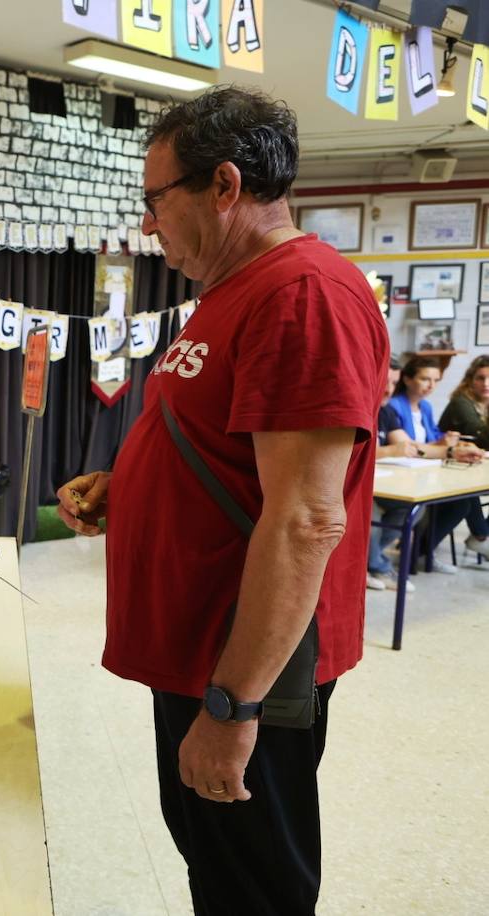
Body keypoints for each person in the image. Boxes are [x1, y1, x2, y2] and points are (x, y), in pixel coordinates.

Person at [56, 87, 387, 915]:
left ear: (226, 186)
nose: (147, 226)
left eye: (154, 200)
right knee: (213, 858)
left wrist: (236, 706)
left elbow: (309, 519)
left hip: (243, 662)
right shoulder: (230, 295)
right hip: (198, 647)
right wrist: (127, 488)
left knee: (252, 885)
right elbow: (228, 456)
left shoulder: (303, 293)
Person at [385, 357, 488, 568]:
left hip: (426, 470)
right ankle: (421, 553)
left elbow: (431, 440)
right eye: (425, 379)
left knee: (464, 498)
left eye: (436, 380)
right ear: (407, 379)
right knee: (463, 500)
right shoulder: (393, 406)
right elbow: (410, 448)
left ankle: (424, 552)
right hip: (406, 475)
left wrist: (445, 442)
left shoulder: (426, 407)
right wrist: (446, 448)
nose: (431, 386)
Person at [367, 360, 418, 591]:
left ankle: (369, 561)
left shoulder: (385, 410)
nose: (388, 390)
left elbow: (408, 445)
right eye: (383, 382)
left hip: (384, 483)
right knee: (371, 511)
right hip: (360, 487)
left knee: (413, 505)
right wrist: (388, 450)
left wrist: (448, 449)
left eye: (394, 384)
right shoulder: (360, 407)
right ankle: (378, 567)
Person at [439, 355, 489, 450]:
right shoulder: (460, 402)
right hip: (447, 458)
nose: (486, 384)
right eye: (480, 378)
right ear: (470, 381)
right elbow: (481, 437)